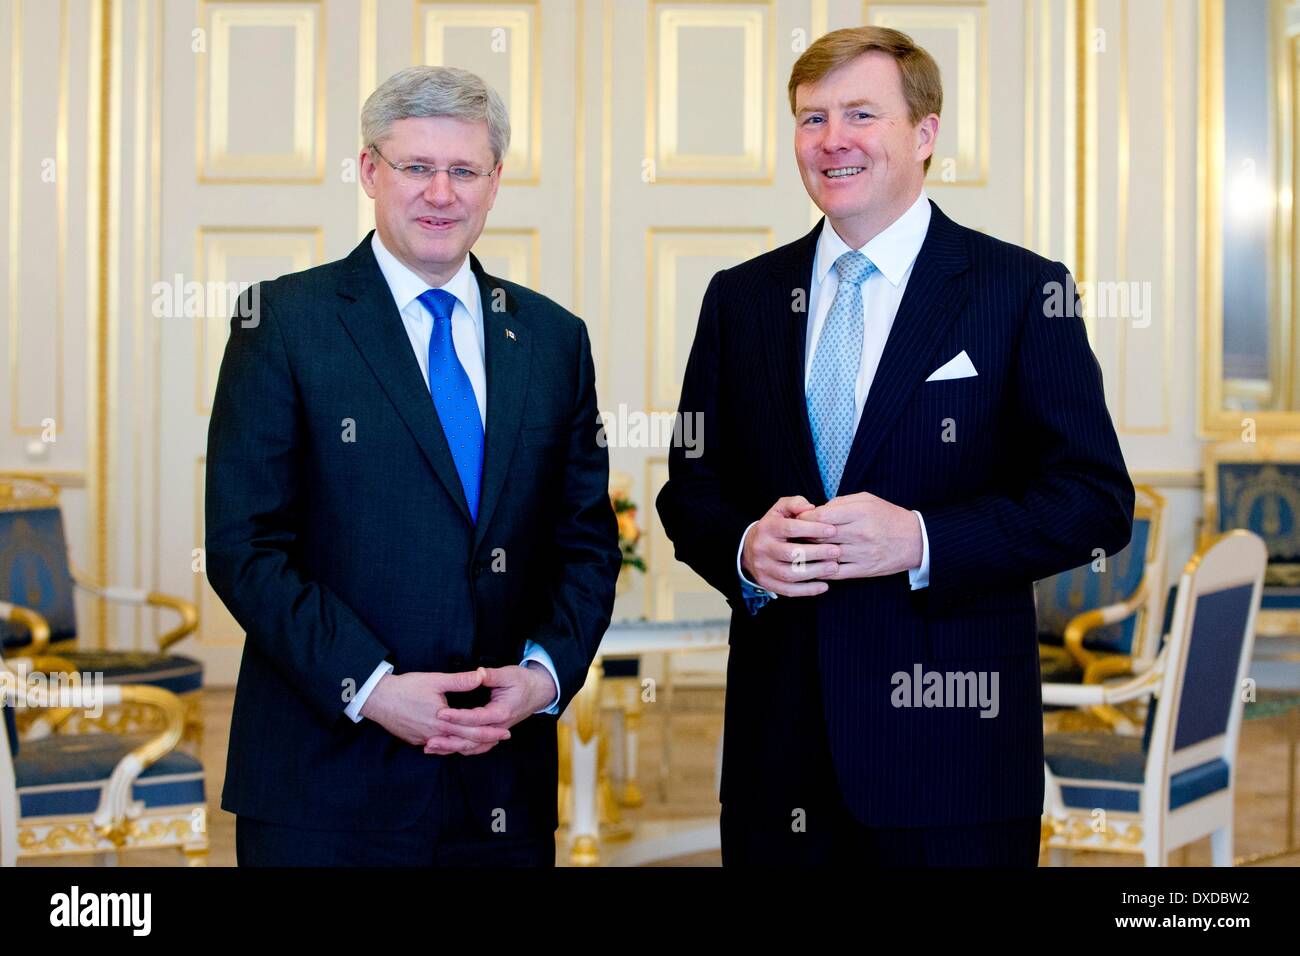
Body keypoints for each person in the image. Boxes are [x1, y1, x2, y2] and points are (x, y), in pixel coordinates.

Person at [656, 27, 1134, 866]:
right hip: (779, 758)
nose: (831, 138)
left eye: (860, 113)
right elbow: (690, 489)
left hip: (953, 760)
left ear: (924, 134)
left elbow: (1094, 500)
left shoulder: (1022, 291)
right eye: (811, 118)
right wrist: (743, 546)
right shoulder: (741, 299)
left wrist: (919, 539)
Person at [206, 66, 620, 866]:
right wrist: (369, 687)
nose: (441, 193)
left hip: (500, 782)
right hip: (323, 785)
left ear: (495, 182)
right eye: (415, 167)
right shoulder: (284, 323)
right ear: (369, 171)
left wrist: (541, 677)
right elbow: (244, 545)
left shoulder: (551, 339)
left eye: (464, 170)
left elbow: (587, 543)